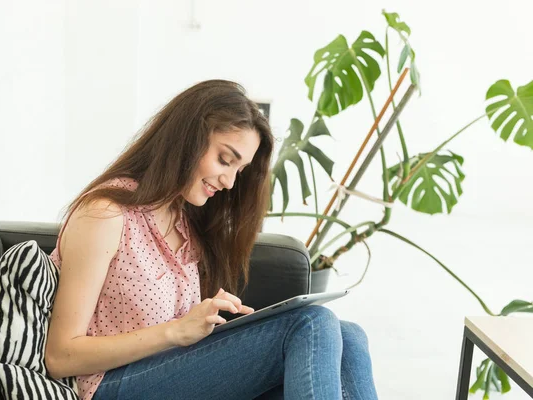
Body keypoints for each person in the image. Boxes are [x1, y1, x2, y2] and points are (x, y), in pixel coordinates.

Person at [45, 79, 378, 400]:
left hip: (167, 371)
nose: (230, 182)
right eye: (225, 160)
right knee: (311, 323)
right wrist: (175, 331)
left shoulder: (182, 219)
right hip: (108, 385)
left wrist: (218, 328)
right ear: (187, 138)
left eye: (239, 169)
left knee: (348, 336)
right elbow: (60, 356)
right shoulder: (105, 215)